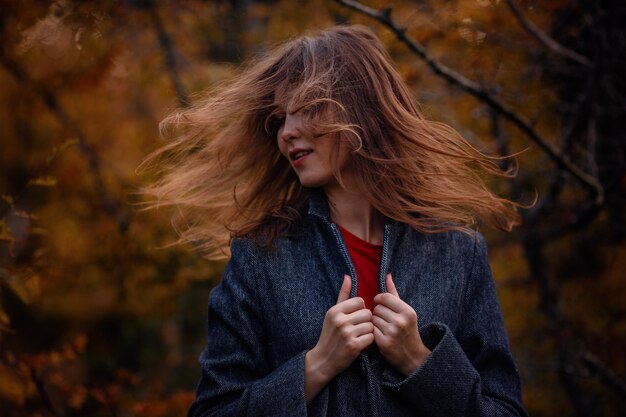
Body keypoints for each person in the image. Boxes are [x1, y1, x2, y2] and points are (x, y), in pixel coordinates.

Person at [143, 25, 527, 417]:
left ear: (363, 109)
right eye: (279, 118)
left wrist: (420, 362)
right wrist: (316, 366)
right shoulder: (261, 256)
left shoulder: (458, 252)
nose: (287, 132)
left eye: (308, 108)